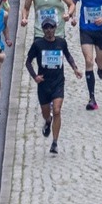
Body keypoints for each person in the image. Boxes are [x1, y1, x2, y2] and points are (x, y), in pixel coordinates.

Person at [23, 18, 82, 156]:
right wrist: (35, 77)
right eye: (46, 28)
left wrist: (75, 69)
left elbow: (68, 56)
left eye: (51, 28)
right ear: (43, 30)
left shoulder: (61, 42)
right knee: (46, 113)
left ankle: (54, 142)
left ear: (55, 28)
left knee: (56, 110)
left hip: (58, 82)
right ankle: (47, 122)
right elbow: (28, 62)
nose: (49, 31)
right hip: (43, 84)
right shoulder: (37, 44)